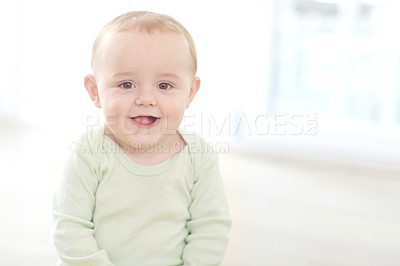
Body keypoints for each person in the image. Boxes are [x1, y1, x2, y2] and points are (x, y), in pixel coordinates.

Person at [52, 11, 231, 266]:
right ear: (95, 91)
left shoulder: (198, 155)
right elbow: (70, 227)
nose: (146, 98)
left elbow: (211, 228)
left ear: (190, 93)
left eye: (164, 85)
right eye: (126, 84)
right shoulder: (88, 151)